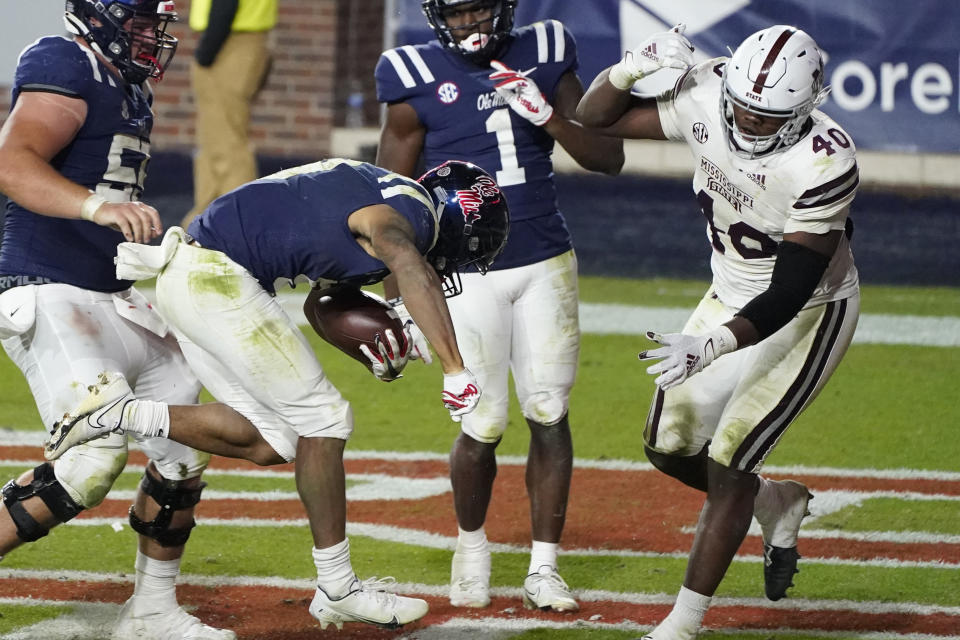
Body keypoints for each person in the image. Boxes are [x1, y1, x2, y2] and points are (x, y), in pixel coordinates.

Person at [43, 157, 510, 630]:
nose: (459, 258)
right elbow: (406, 259)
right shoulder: (412, 215)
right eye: (471, 243)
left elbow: (323, 300)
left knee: (276, 441)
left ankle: (117, 413)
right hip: (215, 276)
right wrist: (455, 368)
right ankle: (337, 587)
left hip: (193, 272)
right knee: (326, 420)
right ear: (455, 216)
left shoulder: (380, 190)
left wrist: (380, 341)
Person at [577, 24, 860, 639]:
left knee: (730, 458)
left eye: (768, 117)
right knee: (668, 446)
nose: (750, 122)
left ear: (808, 108)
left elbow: (788, 290)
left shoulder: (825, 160)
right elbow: (595, 118)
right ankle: (774, 501)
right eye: (744, 108)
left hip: (808, 311)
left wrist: (714, 342)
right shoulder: (708, 94)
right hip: (726, 292)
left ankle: (682, 625)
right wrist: (630, 68)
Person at [374, 0, 625, 613]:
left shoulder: (543, 52)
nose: (474, 24)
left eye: (484, 8)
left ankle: (544, 567)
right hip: (466, 273)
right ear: (437, 15)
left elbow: (608, 157)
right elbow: (386, 199)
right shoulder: (411, 76)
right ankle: (471, 545)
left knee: (549, 411)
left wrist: (551, 120)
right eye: (460, 13)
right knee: (481, 425)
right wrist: (393, 296)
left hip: (544, 261)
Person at [0, 1, 235, 638]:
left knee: (184, 446)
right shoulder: (65, 61)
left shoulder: (125, 85)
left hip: (114, 297)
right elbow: (14, 162)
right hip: (50, 288)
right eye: (137, 23)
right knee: (88, 464)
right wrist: (96, 207)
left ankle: (153, 611)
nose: (150, 38)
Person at [180, 0, 276, 229]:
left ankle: (238, 224)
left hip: (229, 40)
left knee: (226, 142)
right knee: (215, 139)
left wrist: (207, 50)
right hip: (242, 38)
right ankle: (205, 220)